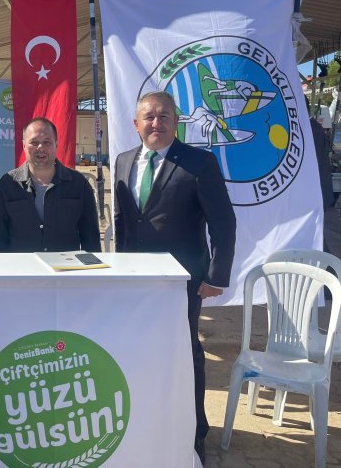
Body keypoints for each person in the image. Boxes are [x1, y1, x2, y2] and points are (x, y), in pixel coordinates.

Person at [113, 91, 236, 463]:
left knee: (185, 353)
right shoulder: (123, 161)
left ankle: (194, 431)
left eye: (164, 116)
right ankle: (148, 420)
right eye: (149, 117)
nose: (156, 123)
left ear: (176, 122)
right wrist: (119, 271)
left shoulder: (200, 163)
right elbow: (122, 221)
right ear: (136, 124)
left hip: (182, 282)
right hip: (135, 283)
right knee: (139, 350)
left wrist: (216, 276)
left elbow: (223, 223)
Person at [0, 117, 101, 252]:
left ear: (56, 144)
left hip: (65, 264)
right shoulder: (7, 185)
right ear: (24, 145)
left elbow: (91, 237)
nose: (40, 148)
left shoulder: (78, 184)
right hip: (22, 264)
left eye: (47, 142)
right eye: (34, 142)